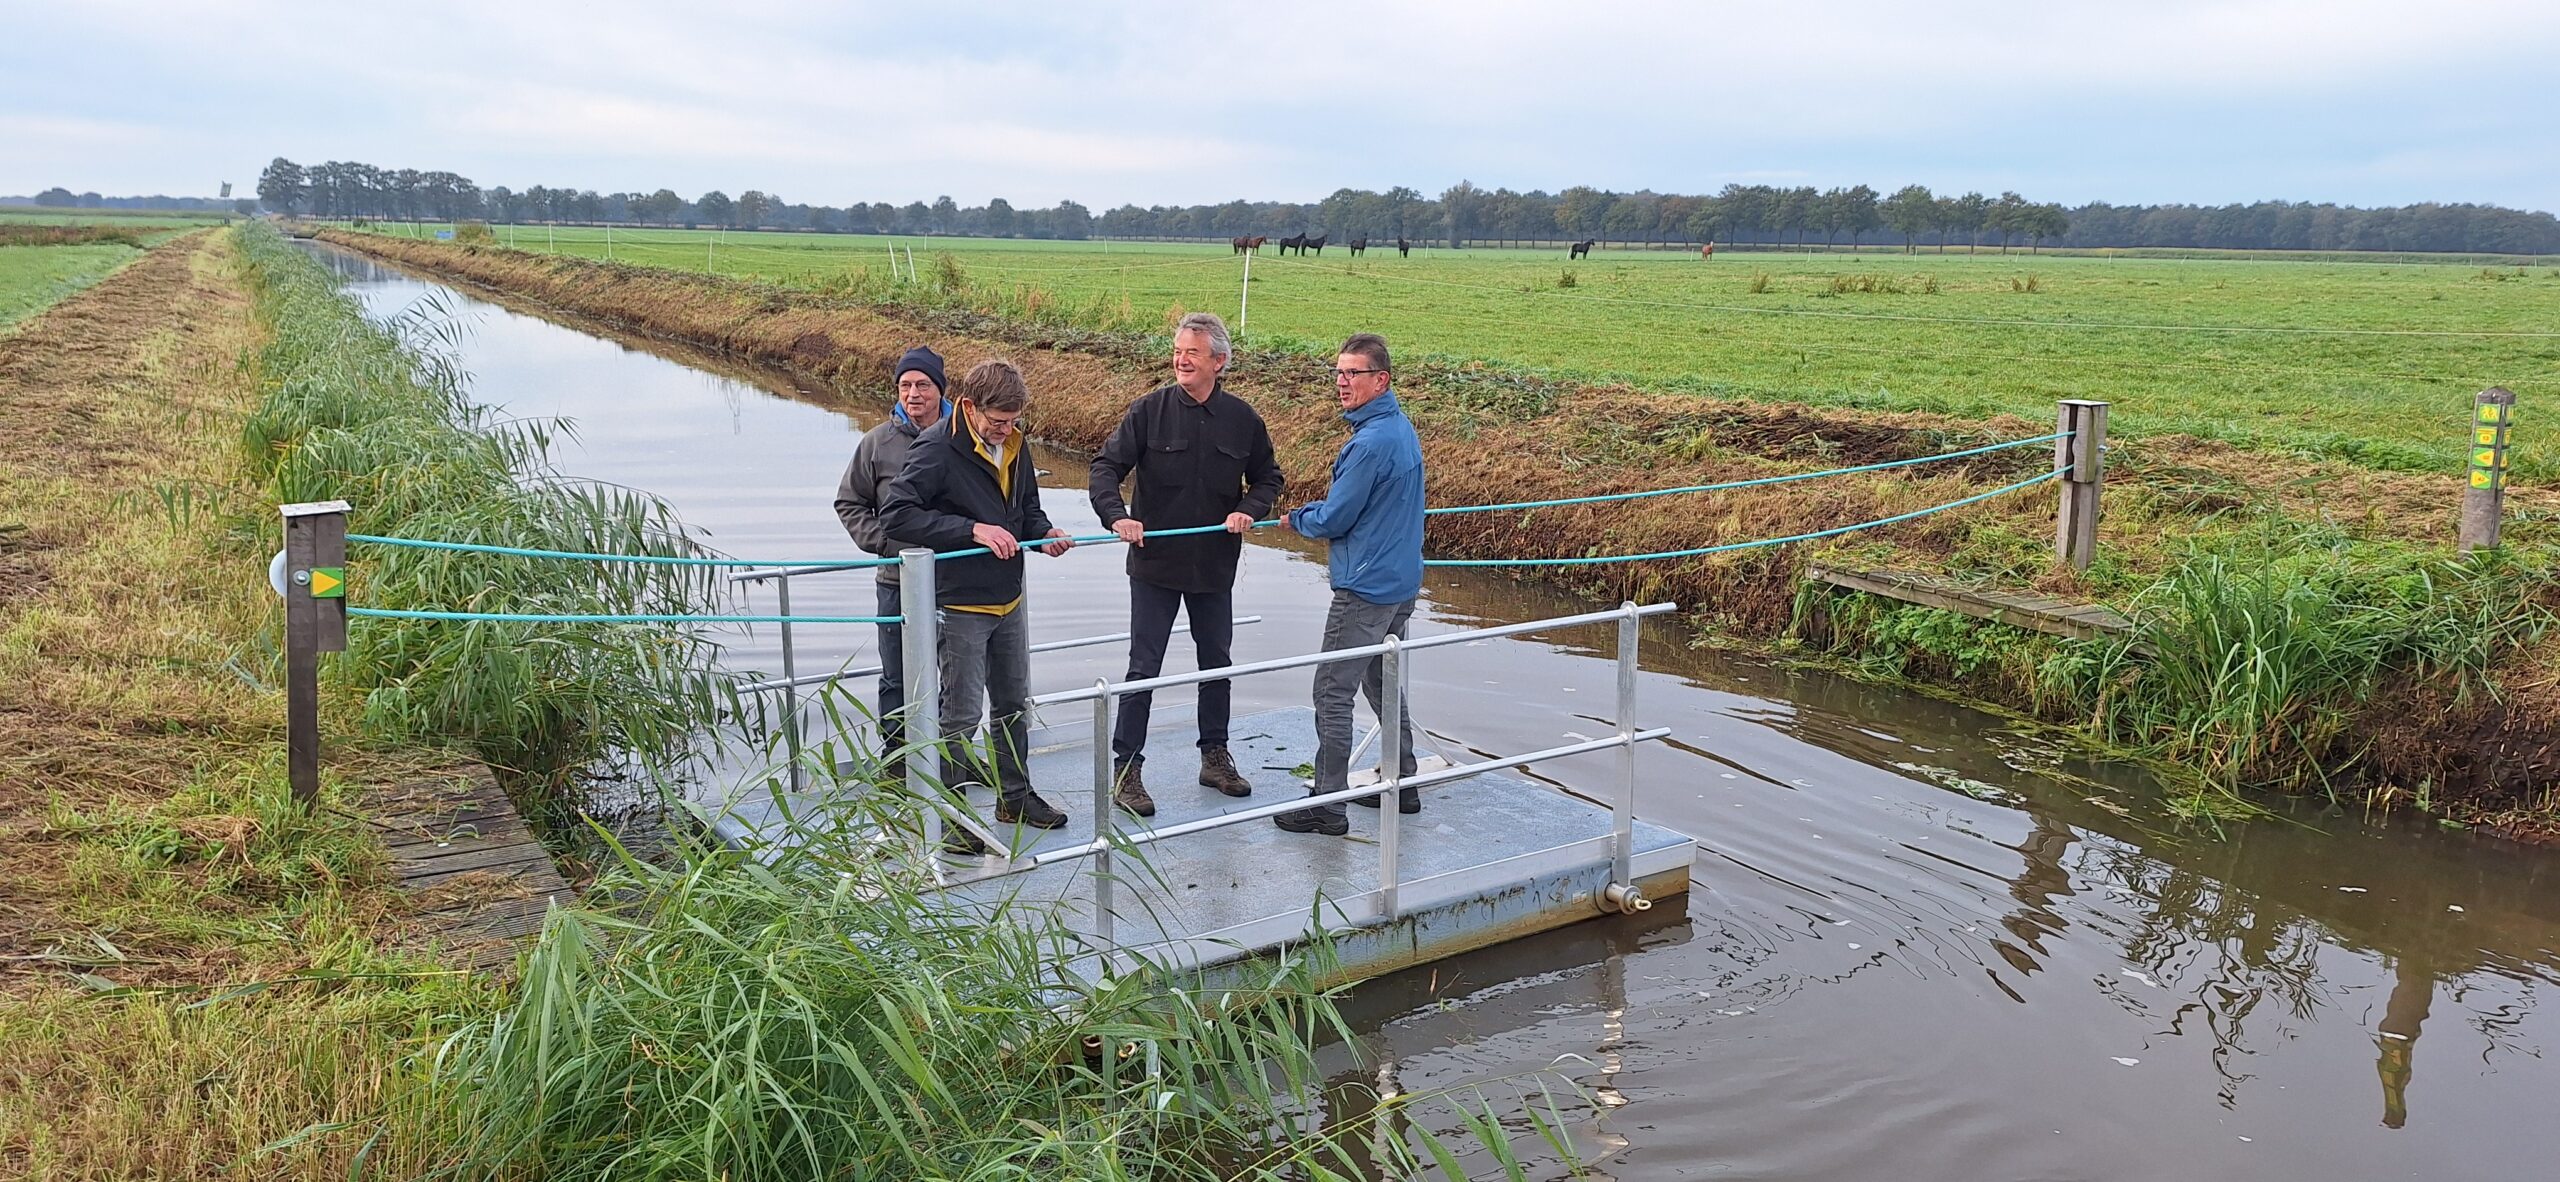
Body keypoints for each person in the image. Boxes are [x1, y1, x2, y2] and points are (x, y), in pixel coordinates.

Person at [1088, 312, 1285, 816]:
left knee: (1216, 663)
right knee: (1143, 667)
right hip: (1154, 564)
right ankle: (1127, 771)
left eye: (1191, 353)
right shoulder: (1148, 412)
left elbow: (1268, 478)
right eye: (1177, 350)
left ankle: (1214, 758)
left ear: (1218, 362)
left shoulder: (1244, 420)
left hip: (1213, 567)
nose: (1180, 359)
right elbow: (1105, 469)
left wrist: (1249, 509)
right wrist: (1117, 518)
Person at [880, 358, 1075, 851]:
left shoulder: (1015, 443)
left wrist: (1043, 533)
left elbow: (1026, 510)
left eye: (1013, 422)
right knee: (960, 715)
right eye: (997, 421)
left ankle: (1015, 797)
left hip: (1009, 596)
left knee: (1013, 705)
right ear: (968, 407)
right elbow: (897, 515)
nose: (1005, 431)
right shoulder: (936, 449)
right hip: (961, 603)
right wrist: (972, 530)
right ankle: (952, 815)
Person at [1273, 333, 1427, 836]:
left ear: (1380, 380)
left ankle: (1328, 803)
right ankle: (1403, 781)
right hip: (1402, 582)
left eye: (1353, 374)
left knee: (1332, 692)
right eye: (1338, 373)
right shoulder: (1401, 429)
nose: (1342, 382)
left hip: (1365, 588)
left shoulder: (1368, 443)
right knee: (1383, 681)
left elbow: (1337, 517)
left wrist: (1299, 518)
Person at [832, 346, 950, 778]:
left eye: (922, 385)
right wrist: (882, 543)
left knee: (956, 675)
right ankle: (899, 762)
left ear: (941, 389)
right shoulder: (876, 443)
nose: (913, 394)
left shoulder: (964, 436)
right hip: (895, 580)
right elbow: (849, 501)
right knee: (896, 676)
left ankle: (948, 758)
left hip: (955, 579)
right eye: (905, 385)